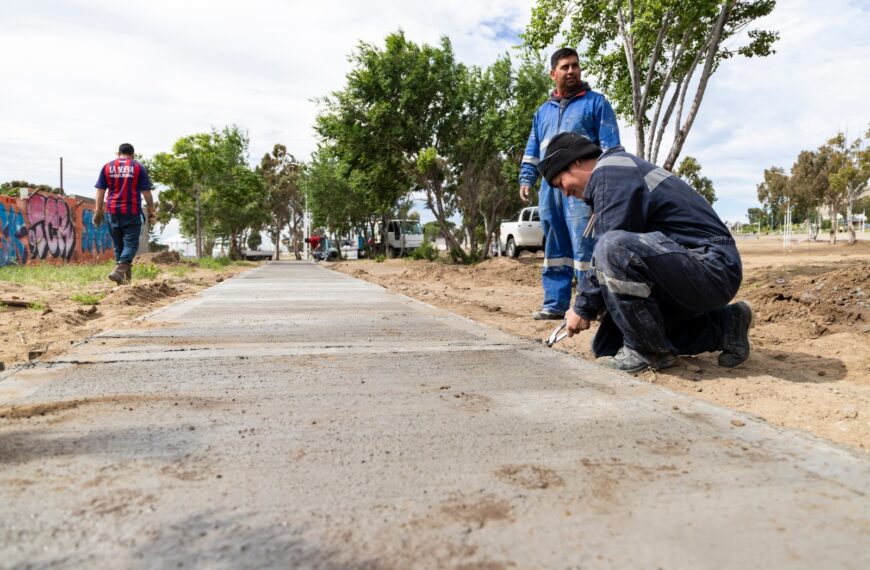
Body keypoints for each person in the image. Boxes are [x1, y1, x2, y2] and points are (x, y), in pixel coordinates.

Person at [537, 132, 753, 373]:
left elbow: (610, 250)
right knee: (608, 345)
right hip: (689, 267)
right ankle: (725, 326)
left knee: (611, 246)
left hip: (712, 266)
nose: (565, 193)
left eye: (560, 183)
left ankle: (647, 351)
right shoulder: (615, 172)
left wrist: (583, 307)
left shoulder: (610, 172)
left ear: (575, 161)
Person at [519, 47, 621, 320]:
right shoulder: (542, 112)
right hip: (550, 189)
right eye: (564, 67)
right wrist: (527, 177)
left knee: (585, 244)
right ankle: (555, 304)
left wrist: (606, 186)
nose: (571, 71)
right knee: (555, 246)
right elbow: (533, 149)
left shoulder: (596, 103)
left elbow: (611, 149)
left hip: (581, 189)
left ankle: (593, 305)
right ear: (553, 74)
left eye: (575, 65)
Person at [94, 143, 156, 284]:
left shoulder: (107, 167)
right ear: (133, 154)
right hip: (132, 211)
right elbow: (146, 192)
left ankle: (124, 279)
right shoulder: (138, 167)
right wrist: (151, 209)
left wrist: (98, 210)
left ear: (118, 153)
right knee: (130, 245)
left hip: (112, 211)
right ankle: (119, 271)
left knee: (119, 245)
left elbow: (100, 190)